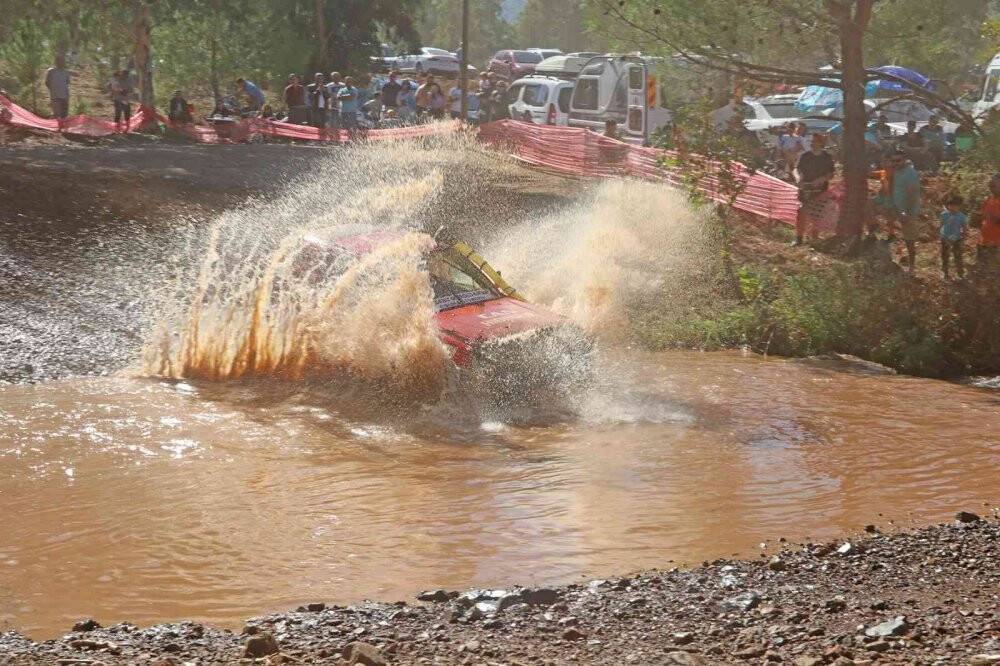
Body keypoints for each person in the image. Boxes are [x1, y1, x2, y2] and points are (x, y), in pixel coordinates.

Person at [793, 133, 835, 246]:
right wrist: (798, 178)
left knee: (817, 215)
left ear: (821, 143)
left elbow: (831, 174)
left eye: (815, 141)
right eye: (811, 141)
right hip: (806, 188)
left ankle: (814, 239)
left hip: (820, 190)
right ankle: (799, 238)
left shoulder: (827, 157)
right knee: (801, 211)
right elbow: (796, 169)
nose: (812, 143)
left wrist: (821, 179)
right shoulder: (805, 155)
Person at [890, 149, 923, 272]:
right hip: (899, 209)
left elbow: (912, 194)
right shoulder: (897, 172)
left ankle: (912, 267)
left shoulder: (910, 173)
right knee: (904, 237)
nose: (895, 163)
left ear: (904, 160)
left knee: (910, 240)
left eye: (898, 160)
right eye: (893, 161)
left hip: (908, 212)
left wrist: (907, 213)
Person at [939, 194, 968, 279]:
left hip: (957, 239)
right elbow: (941, 225)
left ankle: (960, 273)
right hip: (945, 238)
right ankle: (945, 272)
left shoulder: (962, 216)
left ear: (959, 206)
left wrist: (964, 237)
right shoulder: (944, 214)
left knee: (958, 255)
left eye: (955, 206)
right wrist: (941, 235)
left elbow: (965, 227)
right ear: (947, 205)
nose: (952, 207)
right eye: (950, 205)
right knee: (945, 255)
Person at [978, 174, 1000, 269]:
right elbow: (983, 216)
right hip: (984, 241)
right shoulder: (987, 200)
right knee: (983, 268)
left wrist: (995, 219)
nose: (991, 186)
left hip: (997, 243)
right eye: (990, 184)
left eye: (994, 184)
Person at [44, 55, 70, 120]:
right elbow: (47, 83)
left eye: (63, 62)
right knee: (56, 115)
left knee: (64, 115)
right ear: (56, 62)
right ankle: (54, 128)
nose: (62, 63)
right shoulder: (51, 71)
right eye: (60, 62)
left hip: (65, 97)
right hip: (55, 97)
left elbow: (67, 83)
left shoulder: (65, 72)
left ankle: (63, 129)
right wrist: (53, 90)